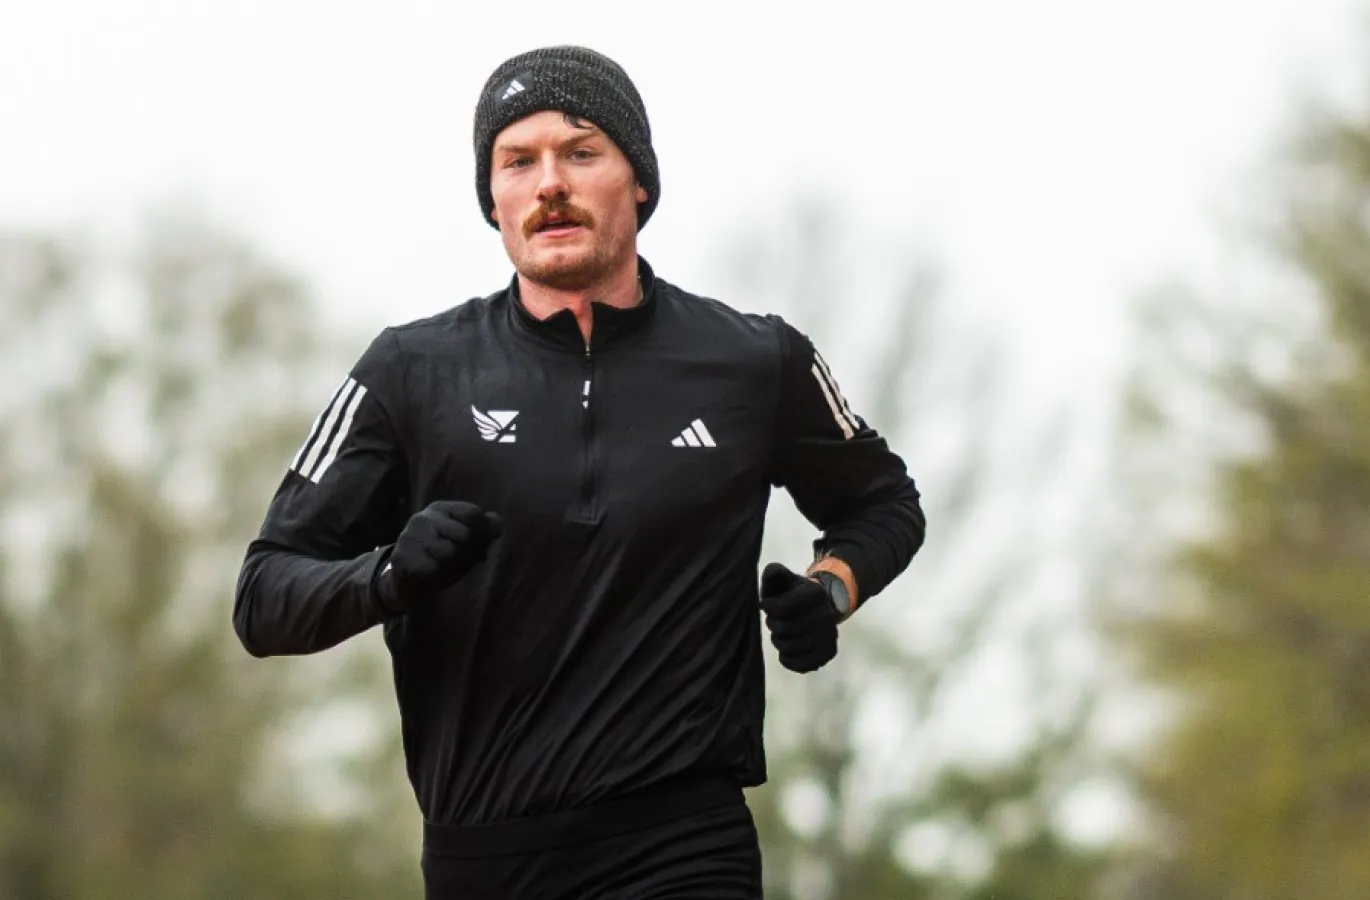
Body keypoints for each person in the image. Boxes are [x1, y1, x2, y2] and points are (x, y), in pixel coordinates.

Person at [233, 45, 924, 899]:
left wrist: (831, 589)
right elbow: (263, 597)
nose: (548, 182)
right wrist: (387, 575)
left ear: (638, 181)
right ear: (494, 201)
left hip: (683, 843)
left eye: (581, 151)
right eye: (518, 161)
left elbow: (885, 503)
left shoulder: (753, 359)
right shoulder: (411, 371)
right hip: (484, 855)